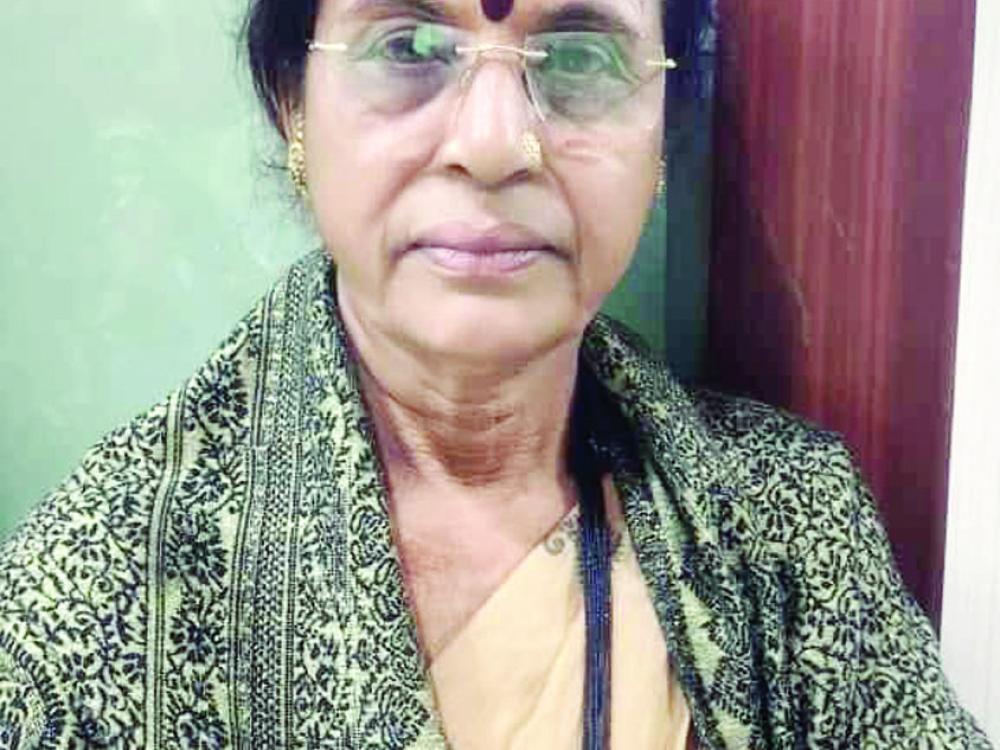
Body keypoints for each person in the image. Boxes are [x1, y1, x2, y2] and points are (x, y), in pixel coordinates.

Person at [0, 0, 990, 747]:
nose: (492, 147)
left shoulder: (789, 525)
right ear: (292, 103)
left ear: (660, 132)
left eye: (581, 55)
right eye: (407, 46)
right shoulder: (101, 586)